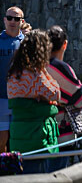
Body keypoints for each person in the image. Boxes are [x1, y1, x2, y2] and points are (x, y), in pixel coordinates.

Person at [6, 29, 60, 173]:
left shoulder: (14, 72)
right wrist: (43, 70)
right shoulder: (35, 74)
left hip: (19, 134)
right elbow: (56, 93)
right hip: (37, 136)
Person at [46, 25, 82, 171]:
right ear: (65, 44)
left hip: (41, 130)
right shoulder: (61, 68)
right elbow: (80, 99)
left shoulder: (37, 66)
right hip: (61, 131)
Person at [0, 6, 25, 153]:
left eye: (16, 19)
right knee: (2, 139)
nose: (12, 21)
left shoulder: (27, 42)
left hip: (20, 100)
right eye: (9, 18)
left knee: (18, 138)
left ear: (22, 21)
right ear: (4, 20)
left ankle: (18, 171)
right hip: (2, 99)